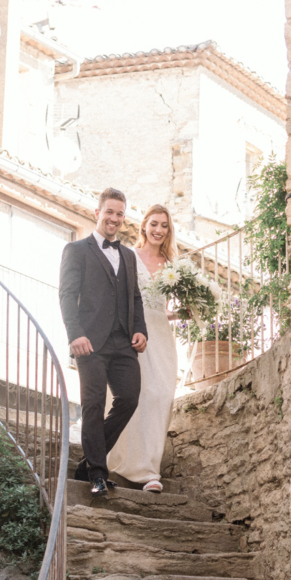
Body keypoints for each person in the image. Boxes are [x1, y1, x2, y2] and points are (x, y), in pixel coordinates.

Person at [58, 188, 147, 497]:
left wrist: (140, 329)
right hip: (90, 341)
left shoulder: (128, 256)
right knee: (93, 404)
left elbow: (134, 295)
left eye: (120, 214)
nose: (114, 218)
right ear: (97, 213)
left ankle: (88, 461)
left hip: (123, 342)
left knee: (129, 399)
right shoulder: (77, 250)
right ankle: (97, 472)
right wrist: (75, 334)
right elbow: (67, 294)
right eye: (109, 212)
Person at [108, 204, 179, 492]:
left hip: (161, 334)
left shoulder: (175, 266)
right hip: (132, 333)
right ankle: (124, 462)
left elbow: (166, 307)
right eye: (154, 224)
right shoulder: (128, 257)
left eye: (163, 225)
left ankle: (150, 469)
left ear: (168, 230)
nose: (158, 230)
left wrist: (186, 310)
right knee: (135, 394)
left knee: (161, 395)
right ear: (144, 226)